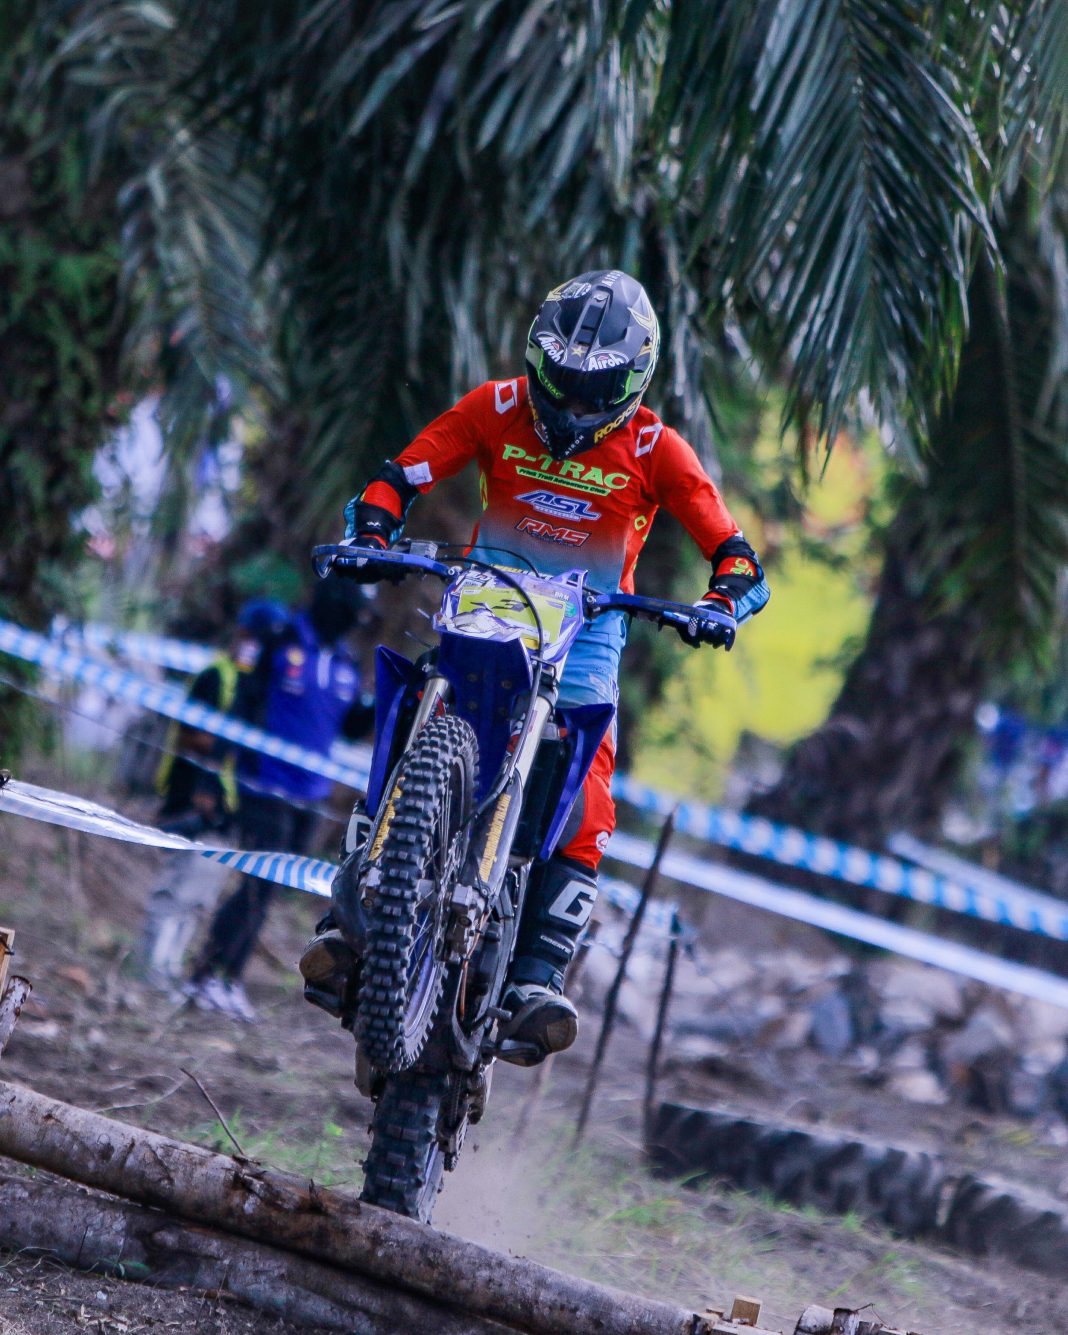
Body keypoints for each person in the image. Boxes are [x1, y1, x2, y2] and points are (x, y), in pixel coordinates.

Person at [299, 268, 770, 1062]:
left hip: (584, 632)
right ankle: (352, 919)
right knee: (408, 714)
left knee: (588, 783)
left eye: (595, 389)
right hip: (485, 602)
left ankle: (537, 976)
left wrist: (720, 604)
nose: (574, 404)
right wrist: (372, 534)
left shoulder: (656, 448)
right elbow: (400, 475)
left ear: (634, 378)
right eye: (561, 381)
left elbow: (736, 555)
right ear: (536, 359)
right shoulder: (497, 406)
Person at [186, 580, 374, 1021]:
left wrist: (385, 699)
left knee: (268, 891)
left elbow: (349, 727)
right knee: (256, 885)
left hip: (310, 796)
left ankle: (227, 979)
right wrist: (211, 778)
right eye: (354, 611)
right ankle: (207, 975)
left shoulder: (346, 661)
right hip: (263, 783)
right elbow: (243, 707)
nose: (357, 621)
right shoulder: (279, 640)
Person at [138, 603, 285, 991]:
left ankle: (168, 972)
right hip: (192, 798)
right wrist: (222, 753)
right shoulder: (214, 676)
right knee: (177, 891)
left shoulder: (254, 686)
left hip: (225, 807)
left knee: (198, 898)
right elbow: (190, 735)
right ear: (241, 633)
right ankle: (151, 972)